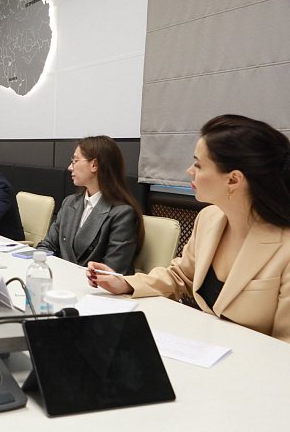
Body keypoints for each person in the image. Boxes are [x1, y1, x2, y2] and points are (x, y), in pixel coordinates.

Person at [88, 115, 290, 342]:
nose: (189, 171)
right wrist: (125, 283)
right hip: (209, 348)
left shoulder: (285, 247)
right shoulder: (209, 218)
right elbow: (181, 275)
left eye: (198, 165)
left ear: (233, 180)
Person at [37, 136, 144, 274]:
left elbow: (111, 272)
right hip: (60, 279)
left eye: (75, 161)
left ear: (94, 165)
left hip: (93, 285)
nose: (70, 167)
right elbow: (47, 245)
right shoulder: (70, 202)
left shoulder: (122, 214)